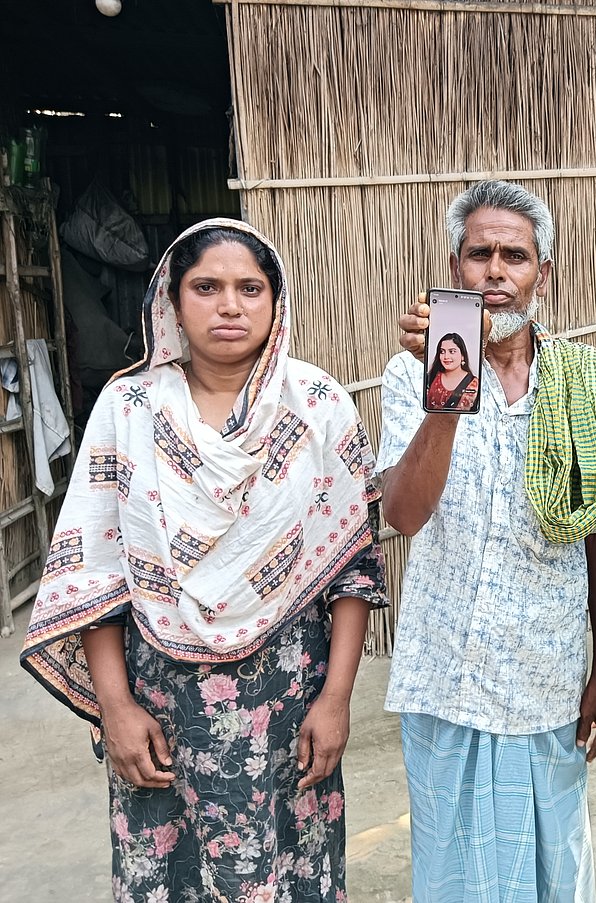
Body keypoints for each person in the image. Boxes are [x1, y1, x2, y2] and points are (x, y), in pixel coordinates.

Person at [21, 219, 388, 902]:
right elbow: (96, 572)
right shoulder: (128, 410)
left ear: (276, 301)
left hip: (289, 701)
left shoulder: (317, 408)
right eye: (207, 287)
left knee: (290, 871)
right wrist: (115, 706)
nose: (230, 305)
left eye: (250, 287)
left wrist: (336, 700)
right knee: (170, 873)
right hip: (161, 705)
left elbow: (354, 569)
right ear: (171, 299)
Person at [378, 179, 596, 902]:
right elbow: (403, 513)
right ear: (454, 267)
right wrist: (448, 396)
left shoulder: (583, 385)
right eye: (478, 253)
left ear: (542, 274)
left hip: (544, 675)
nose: (494, 270)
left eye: (514, 255)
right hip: (444, 673)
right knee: (451, 871)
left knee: (552, 866)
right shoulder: (408, 375)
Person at [426, 332, 479, 411]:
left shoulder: (474, 384)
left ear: (462, 356)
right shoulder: (432, 377)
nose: (446, 357)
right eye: (442, 352)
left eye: (452, 351)